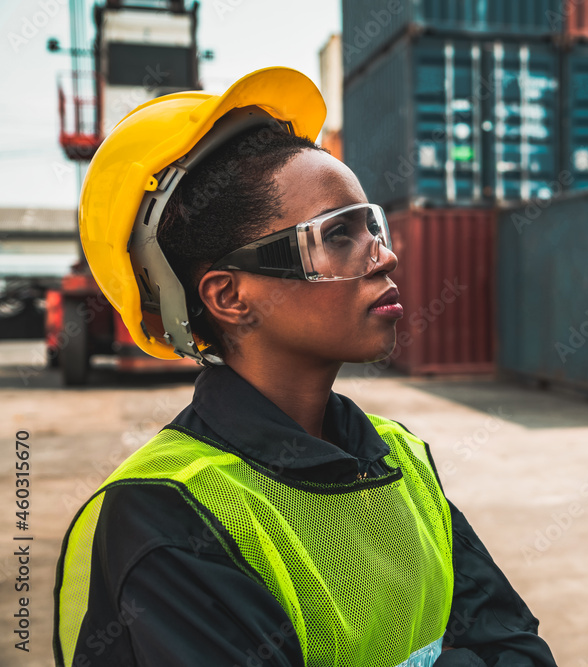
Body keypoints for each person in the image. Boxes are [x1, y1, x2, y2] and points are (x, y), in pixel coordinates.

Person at [53, 67, 557, 667]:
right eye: (337, 235)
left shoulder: (401, 459)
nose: (385, 254)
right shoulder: (169, 512)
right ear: (229, 297)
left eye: (372, 226)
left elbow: (519, 649)